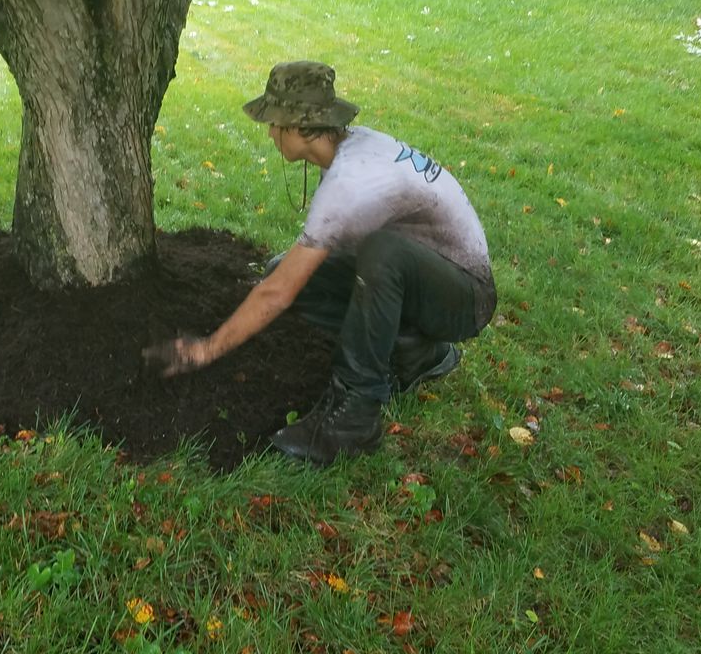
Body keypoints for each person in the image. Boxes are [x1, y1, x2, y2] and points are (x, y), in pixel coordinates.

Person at [148, 61, 497, 467]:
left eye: (275, 122)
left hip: (465, 297)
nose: (270, 132)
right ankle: (416, 351)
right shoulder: (354, 148)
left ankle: (353, 417)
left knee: (380, 255)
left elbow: (277, 296)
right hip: (425, 280)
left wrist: (206, 350)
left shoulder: (351, 181)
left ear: (299, 126)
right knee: (288, 268)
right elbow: (293, 275)